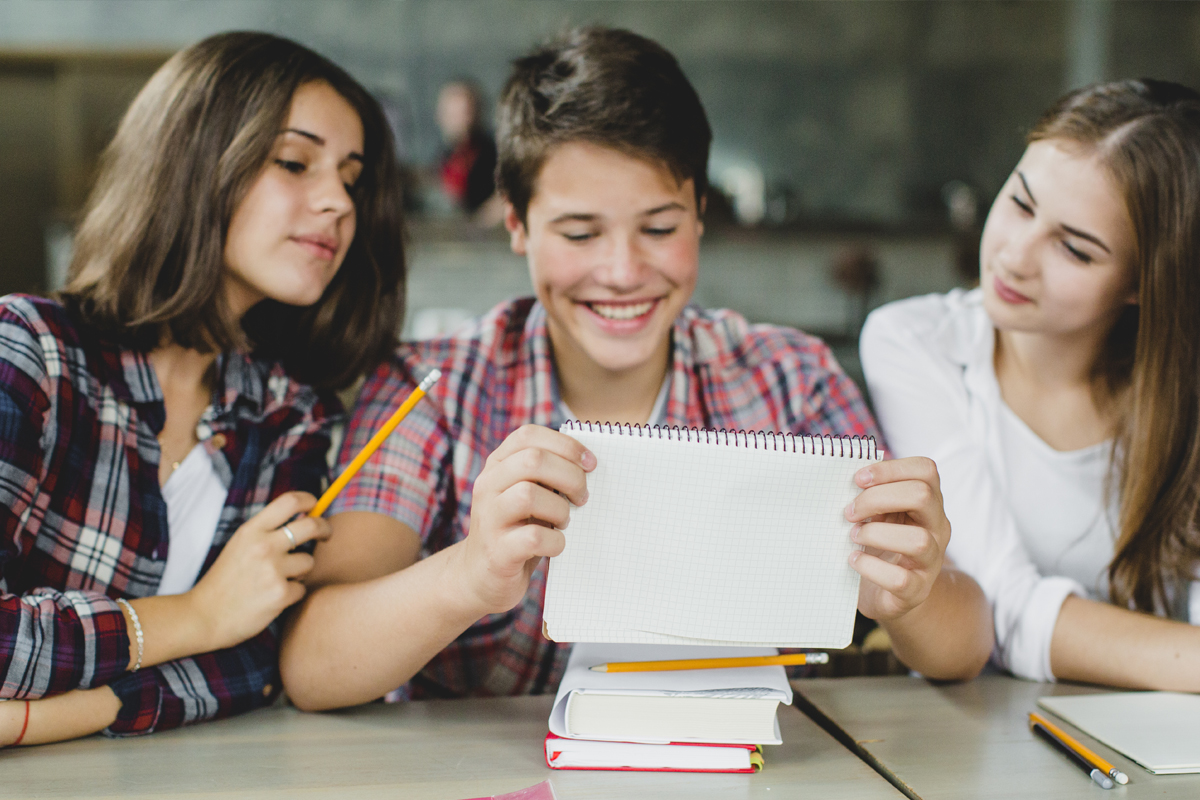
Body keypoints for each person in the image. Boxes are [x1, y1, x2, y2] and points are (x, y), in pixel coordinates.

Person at [280, 27, 992, 711]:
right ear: (517, 224)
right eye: (580, 232)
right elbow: (313, 663)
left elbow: (964, 647)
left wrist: (912, 588)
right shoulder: (433, 390)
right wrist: (469, 574)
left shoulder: (789, 378)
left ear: (700, 214)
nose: (622, 272)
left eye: (659, 228)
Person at [0, 31, 404, 745]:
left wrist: (51, 715)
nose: (338, 201)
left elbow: (257, 661)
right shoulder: (29, 353)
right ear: (194, 160)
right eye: (294, 161)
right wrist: (199, 617)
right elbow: (223, 633)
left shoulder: (290, 417)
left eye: (350, 175)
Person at [861, 80, 1200, 689]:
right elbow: (1001, 609)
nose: (1015, 256)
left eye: (1074, 249)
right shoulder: (915, 342)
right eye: (1020, 203)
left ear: (1144, 283)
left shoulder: (1184, 388)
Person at [436, 80, 498, 214]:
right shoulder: (444, 157)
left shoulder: (494, 157)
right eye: (453, 114)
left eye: (465, 113)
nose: (462, 121)